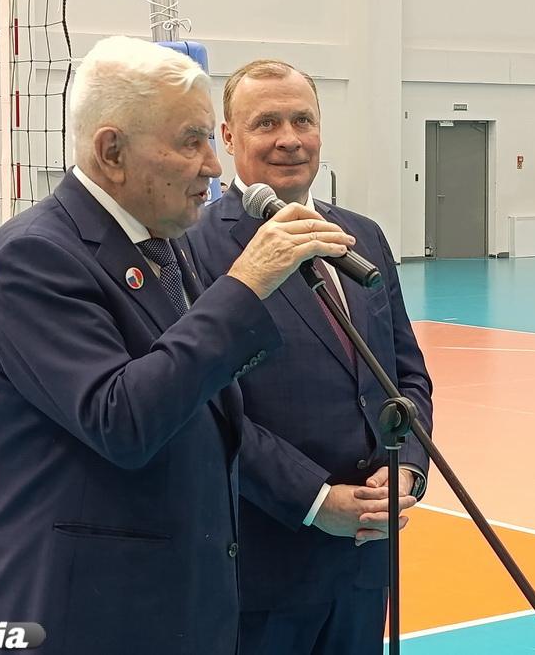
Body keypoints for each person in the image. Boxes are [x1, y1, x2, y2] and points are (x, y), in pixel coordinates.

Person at [0, 37, 356, 655]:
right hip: (79, 614)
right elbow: (121, 419)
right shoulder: (35, 255)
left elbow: (206, 403)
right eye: (191, 141)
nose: (214, 166)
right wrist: (246, 285)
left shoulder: (163, 242)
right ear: (112, 152)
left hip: (175, 603)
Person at [184, 59, 433, 655]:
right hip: (264, 561)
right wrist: (315, 499)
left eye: (302, 120)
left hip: (367, 558)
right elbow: (205, 409)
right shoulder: (193, 247)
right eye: (266, 123)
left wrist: (406, 467)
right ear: (228, 137)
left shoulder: (363, 237)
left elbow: (405, 373)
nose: (289, 139)